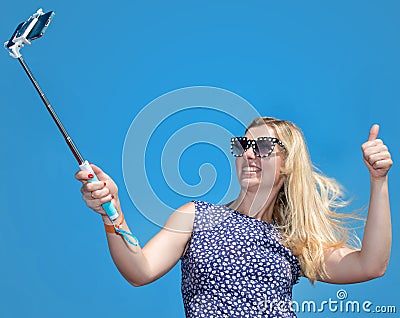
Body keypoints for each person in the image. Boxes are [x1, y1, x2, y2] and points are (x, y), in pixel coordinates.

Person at [75, 117, 393, 317]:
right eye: (243, 145)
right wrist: (111, 212)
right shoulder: (196, 216)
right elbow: (139, 270)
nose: (249, 153)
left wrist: (379, 182)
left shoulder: (294, 240)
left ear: (287, 162)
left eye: (264, 146)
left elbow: (371, 265)